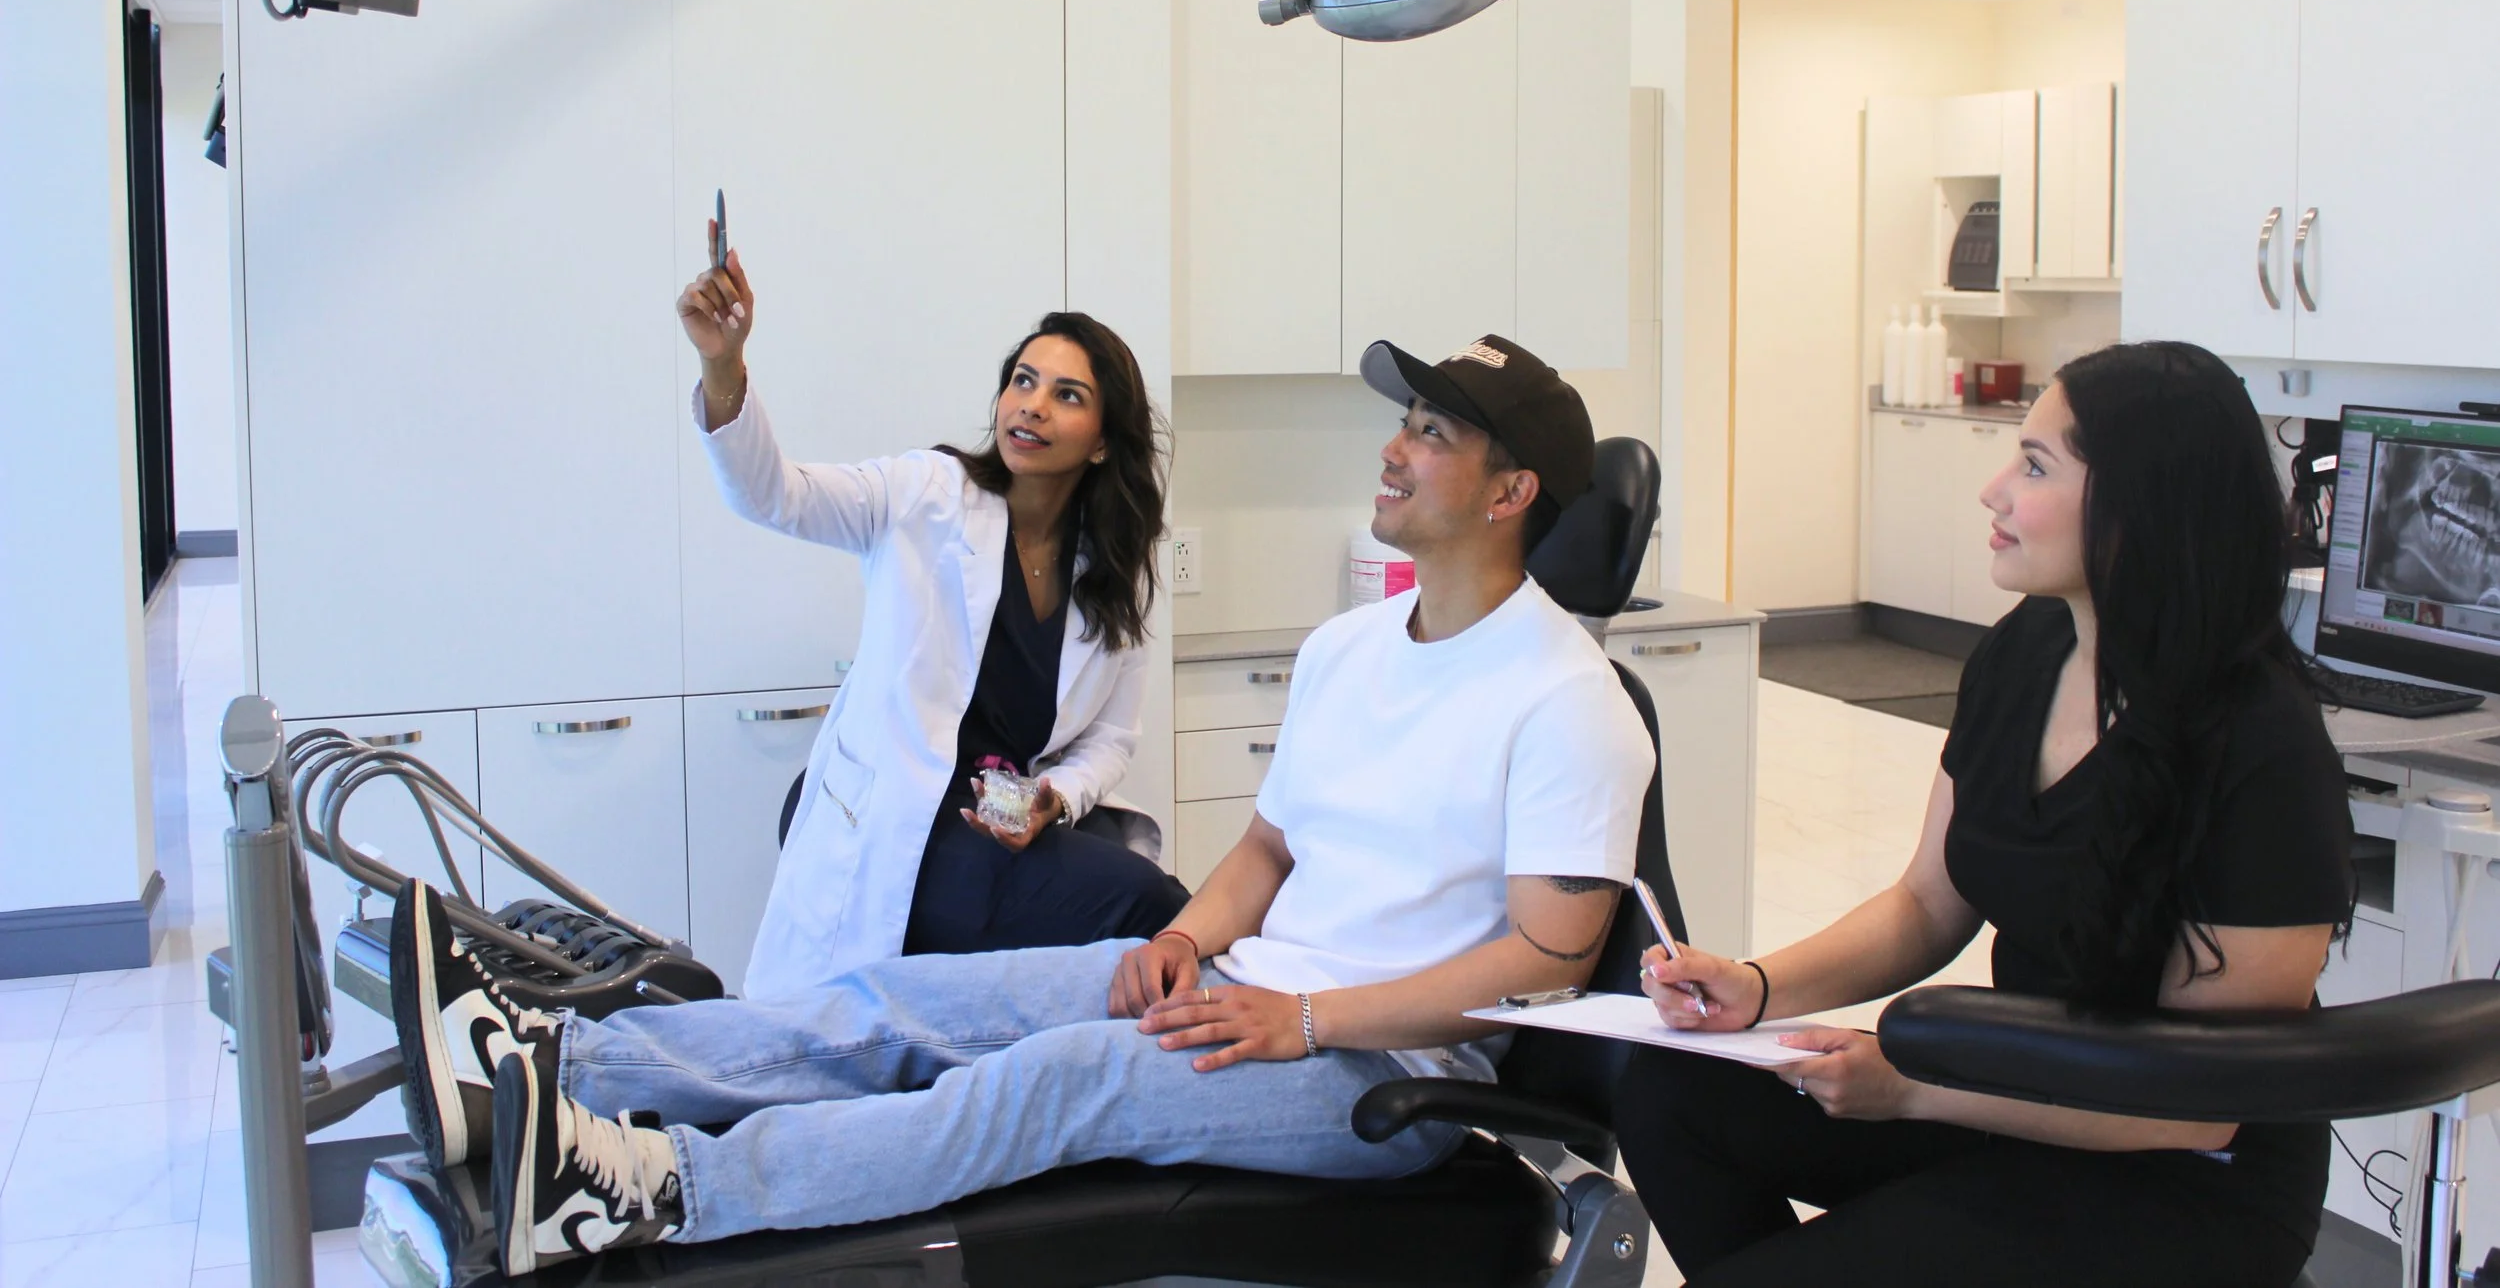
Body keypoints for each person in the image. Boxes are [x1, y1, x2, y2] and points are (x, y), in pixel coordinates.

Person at [388, 335, 1656, 1276]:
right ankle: (552, 1064)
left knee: (1040, 1084)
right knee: (901, 1003)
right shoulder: (1349, 646)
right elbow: (1271, 843)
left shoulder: (1568, 698)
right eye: (1408, 418)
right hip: (1251, 982)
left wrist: (1305, 1015)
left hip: (1383, 1067)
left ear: (1509, 493)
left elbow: (1538, 960)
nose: (1394, 444)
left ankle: (654, 1182)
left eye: (1434, 431)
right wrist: (1184, 941)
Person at [1619, 340, 2356, 1288]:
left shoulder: (2262, 745)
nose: (1994, 489)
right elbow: (1928, 904)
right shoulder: (2025, 653)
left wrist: (1919, 1088)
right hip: (2007, 1103)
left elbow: (2202, 1106)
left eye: (2037, 466)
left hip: (2180, 1178)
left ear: (2141, 505)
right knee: (1674, 1090)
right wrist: (1757, 988)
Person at [675, 238, 1187, 999]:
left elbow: (1111, 738)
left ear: (1105, 440)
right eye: (1024, 381)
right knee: (1160, 908)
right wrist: (725, 363)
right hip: (893, 823)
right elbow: (772, 493)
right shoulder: (928, 495)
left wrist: (1057, 797)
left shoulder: (1108, 568)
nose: (1033, 405)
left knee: (1156, 911)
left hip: (1000, 824)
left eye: (1068, 395)